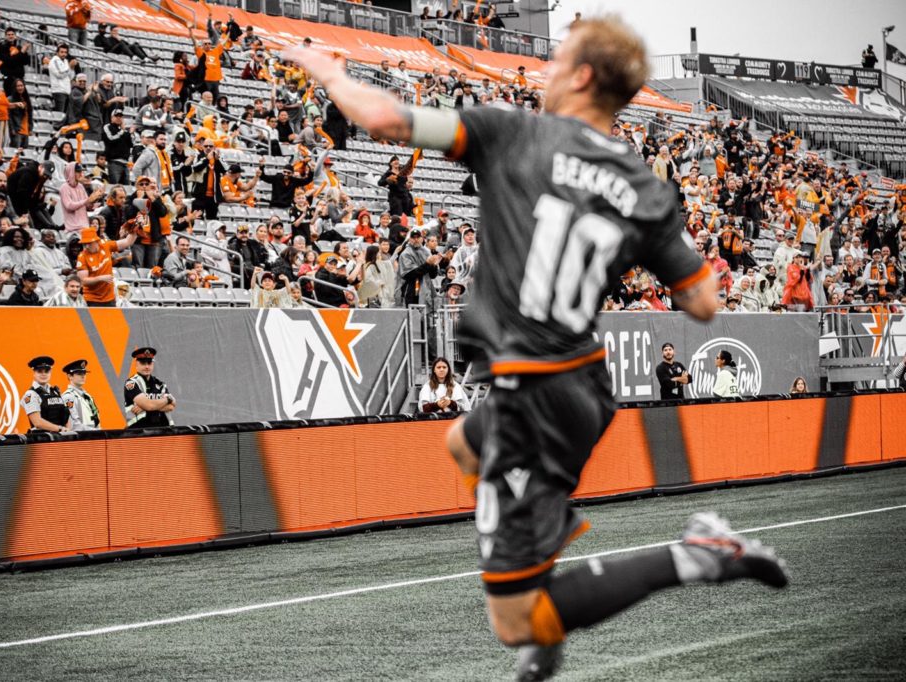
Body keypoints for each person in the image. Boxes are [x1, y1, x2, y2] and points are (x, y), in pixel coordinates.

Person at [285, 18, 787, 681]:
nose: (546, 72)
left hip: (532, 393)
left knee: (515, 619)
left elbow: (382, 119)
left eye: (555, 62)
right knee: (462, 442)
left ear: (580, 77)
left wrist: (330, 74)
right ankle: (543, 563)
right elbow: (701, 303)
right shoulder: (645, 188)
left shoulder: (514, 132)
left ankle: (696, 555)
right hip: (580, 387)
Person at [76, 225, 138, 307]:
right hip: (92, 299)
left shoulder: (105, 245)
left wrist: (135, 229)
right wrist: (100, 278)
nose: (86, 246)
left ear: (96, 241)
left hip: (110, 297)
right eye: (84, 244)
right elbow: (83, 281)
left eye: (89, 243)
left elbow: (127, 242)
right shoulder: (82, 257)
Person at [124, 347, 176, 429]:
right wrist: (167, 399)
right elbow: (149, 406)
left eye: (149, 363)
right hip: (138, 432)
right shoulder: (131, 383)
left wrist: (144, 407)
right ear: (136, 365)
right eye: (143, 363)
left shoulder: (160, 384)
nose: (147, 366)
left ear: (153, 364)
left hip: (163, 431)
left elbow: (171, 406)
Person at [21, 356, 72, 433]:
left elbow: (65, 415)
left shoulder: (55, 391)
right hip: (42, 439)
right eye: (39, 371)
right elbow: (37, 422)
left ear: (50, 372)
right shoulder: (31, 394)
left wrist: (67, 432)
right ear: (34, 373)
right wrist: (61, 429)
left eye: (46, 371)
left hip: (60, 438)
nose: (43, 374)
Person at [62, 359, 100, 431]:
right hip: (81, 438)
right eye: (79, 373)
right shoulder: (68, 397)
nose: (83, 376)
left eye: (84, 373)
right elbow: (74, 425)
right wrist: (96, 432)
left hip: (93, 436)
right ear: (70, 376)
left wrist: (99, 432)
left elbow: (96, 419)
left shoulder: (88, 396)